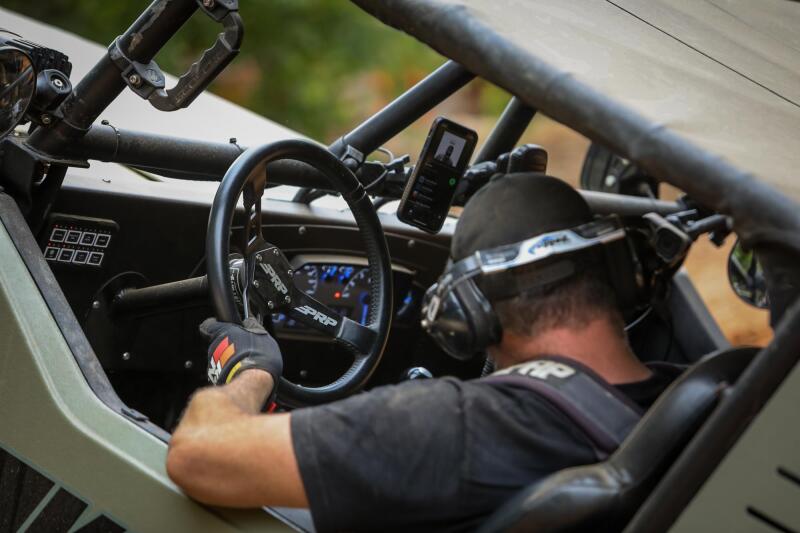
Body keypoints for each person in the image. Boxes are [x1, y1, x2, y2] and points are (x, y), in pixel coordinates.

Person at [166, 175, 679, 532]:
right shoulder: (690, 403)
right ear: (619, 273)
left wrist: (251, 368)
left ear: (470, 312)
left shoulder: (453, 427)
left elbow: (197, 454)